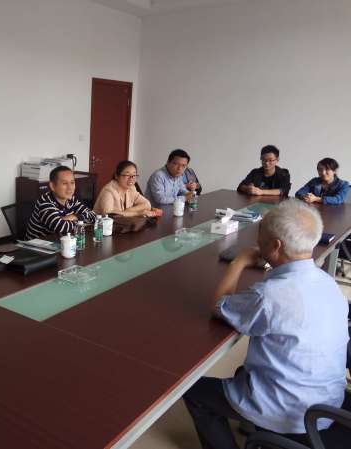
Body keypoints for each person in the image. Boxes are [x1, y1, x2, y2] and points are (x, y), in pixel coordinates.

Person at [183, 200, 349, 449]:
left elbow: (219, 306)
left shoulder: (268, 296)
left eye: (260, 235)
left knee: (193, 391)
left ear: (276, 245)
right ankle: (252, 424)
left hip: (291, 412)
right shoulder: (327, 282)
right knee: (243, 371)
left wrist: (238, 262)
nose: (256, 241)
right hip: (327, 403)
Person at [25, 166, 96, 240]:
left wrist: (75, 217)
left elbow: (94, 216)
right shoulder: (44, 202)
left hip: (59, 241)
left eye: (72, 182)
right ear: (52, 186)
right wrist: (82, 222)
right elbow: (60, 227)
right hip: (37, 245)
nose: (70, 188)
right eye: (64, 183)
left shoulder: (71, 199)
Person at [94, 160, 163, 218]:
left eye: (134, 175)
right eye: (127, 175)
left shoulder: (131, 188)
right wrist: (138, 213)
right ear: (116, 176)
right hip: (100, 227)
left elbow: (147, 204)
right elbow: (108, 214)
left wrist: (127, 212)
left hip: (121, 225)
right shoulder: (109, 191)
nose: (131, 178)